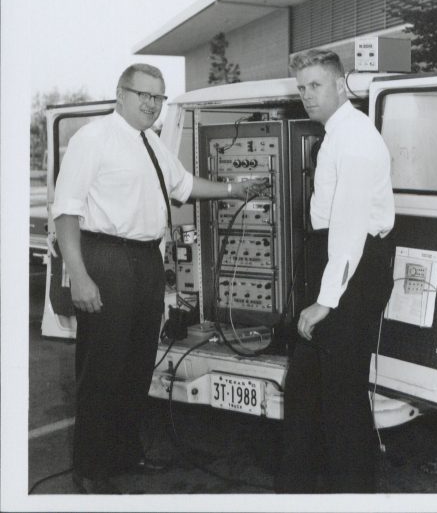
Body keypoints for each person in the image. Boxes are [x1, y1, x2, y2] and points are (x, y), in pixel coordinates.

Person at [52, 63, 264, 494]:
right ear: (121, 94)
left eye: (158, 96)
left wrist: (233, 191)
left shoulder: (150, 142)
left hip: (146, 260)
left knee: (135, 367)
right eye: (143, 94)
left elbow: (184, 185)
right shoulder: (93, 138)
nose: (151, 103)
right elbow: (66, 211)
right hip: (106, 258)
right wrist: (80, 276)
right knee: (103, 369)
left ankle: (125, 455)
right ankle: (90, 469)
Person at [275, 49, 395, 493]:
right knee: (306, 388)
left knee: (340, 397)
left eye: (315, 85)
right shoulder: (336, 133)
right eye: (301, 87)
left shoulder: (356, 138)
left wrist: (325, 303)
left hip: (353, 268)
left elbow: (348, 227)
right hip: (336, 261)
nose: (307, 95)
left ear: (341, 84)